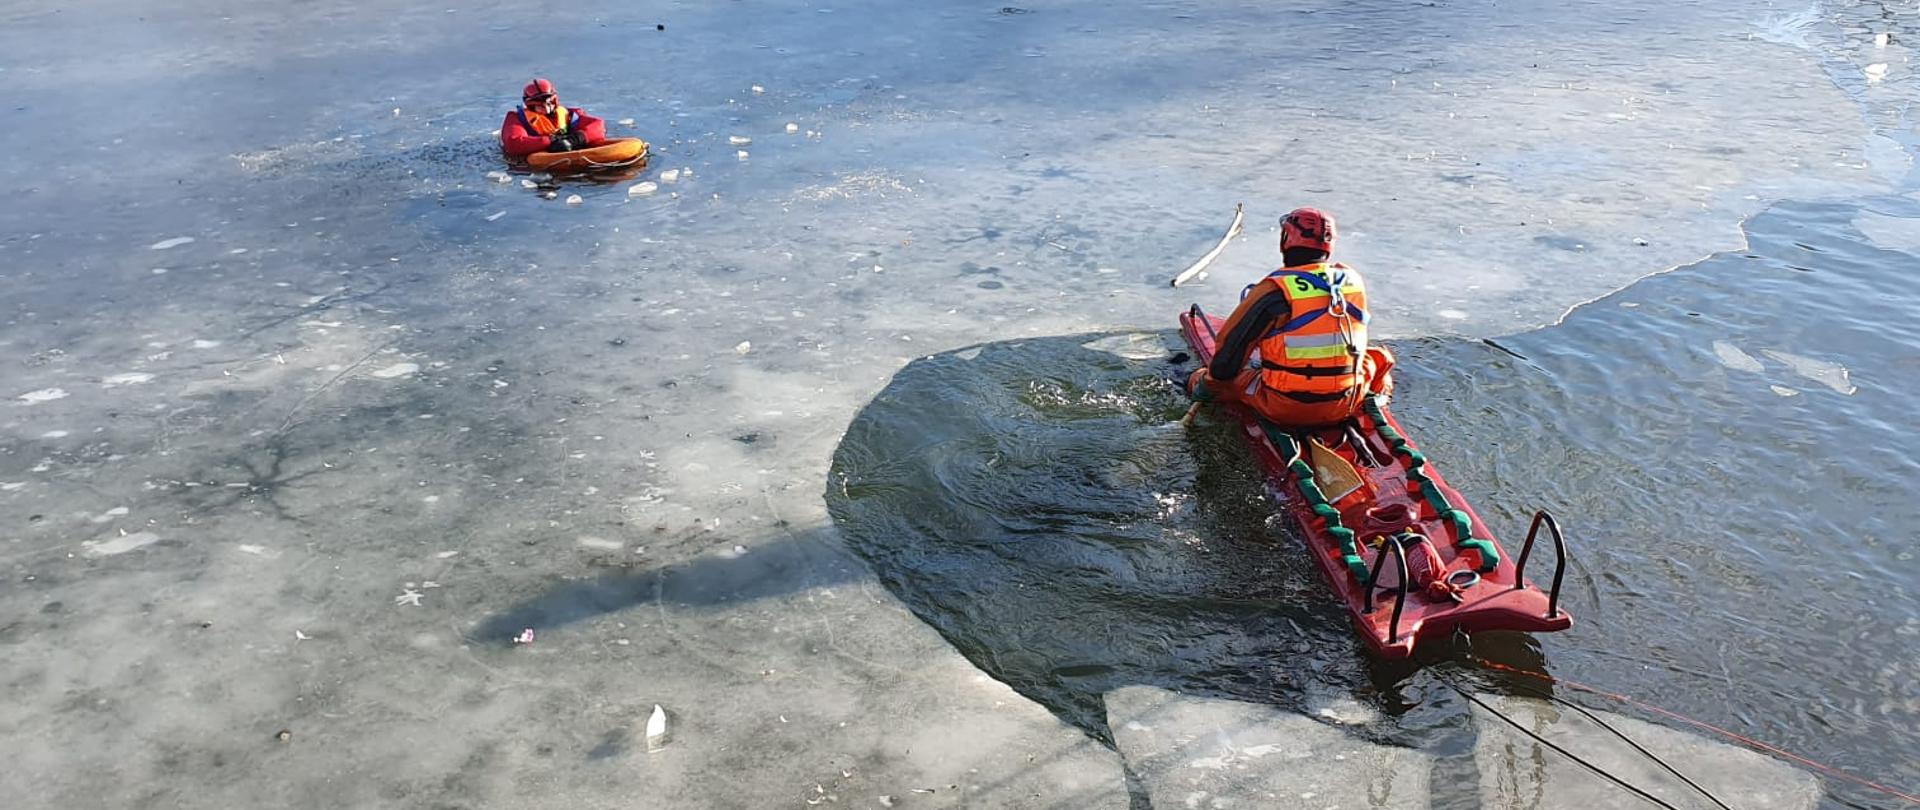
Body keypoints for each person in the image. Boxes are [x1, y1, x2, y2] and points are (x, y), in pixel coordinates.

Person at [1186, 207, 1395, 428]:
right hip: (1348, 402)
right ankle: (1378, 402)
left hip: (1285, 407)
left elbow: (1224, 367)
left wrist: (1206, 384)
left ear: (1286, 239)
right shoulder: (1352, 280)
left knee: (1211, 380)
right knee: (1379, 358)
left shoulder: (1275, 289)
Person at [500, 78, 608, 158]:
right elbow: (513, 143)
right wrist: (550, 141)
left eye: (549, 103)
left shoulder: (571, 115)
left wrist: (574, 140)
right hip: (536, 165)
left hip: (572, 148)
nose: (547, 108)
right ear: (530, 105)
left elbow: (598, 126)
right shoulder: (516, 119)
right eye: (540, 106)